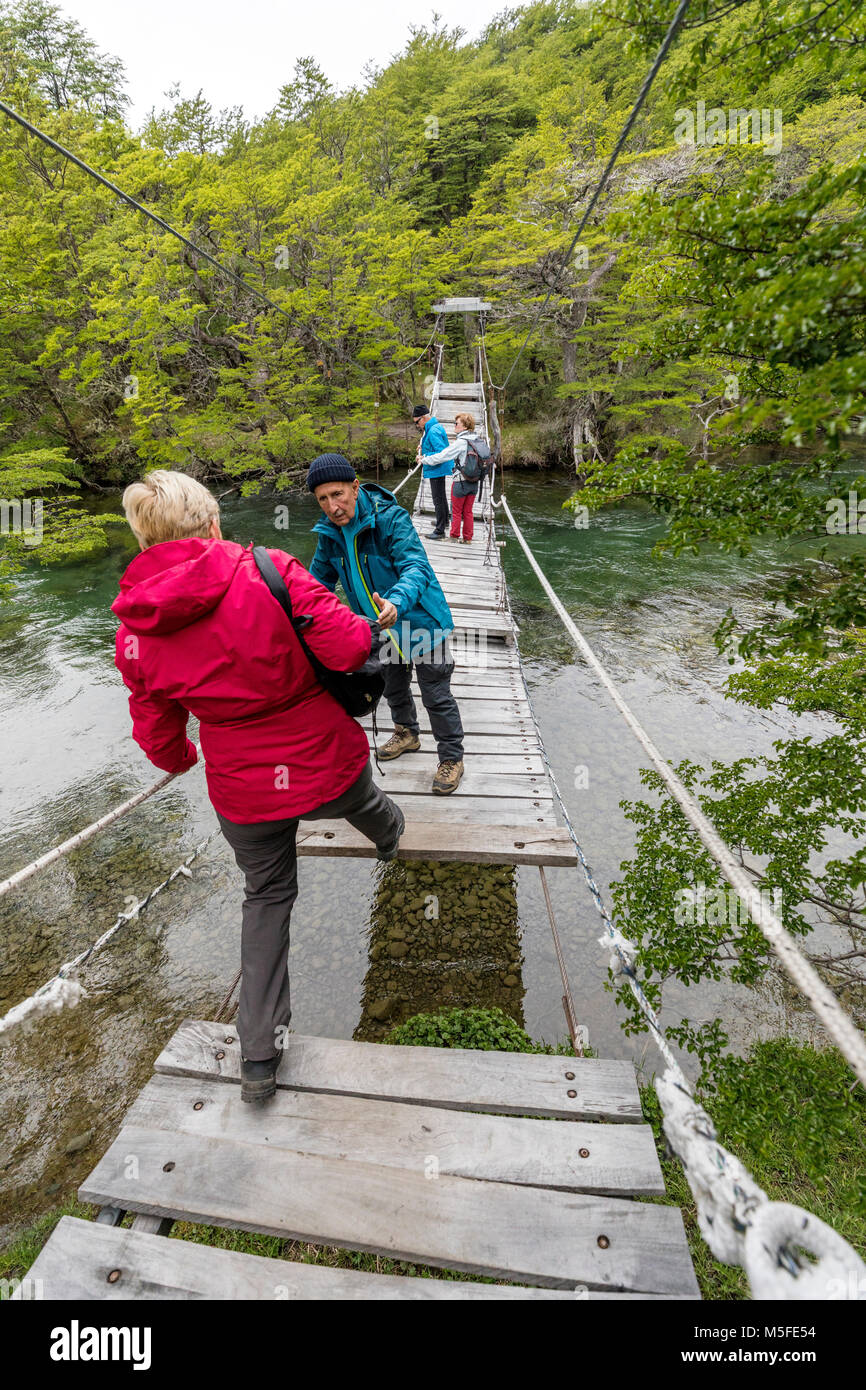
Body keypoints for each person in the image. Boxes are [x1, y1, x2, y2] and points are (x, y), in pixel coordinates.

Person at [112, 469, 403, 1105]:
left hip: (244, 791)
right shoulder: (268, 568)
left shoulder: (133, 629)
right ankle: (389, 841)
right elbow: (352, 647)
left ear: (143, 544)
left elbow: (156, 727)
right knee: (366, 802)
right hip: (324, 759)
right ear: (212, 524)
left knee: (267, 896)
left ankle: (259, 1056)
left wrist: (183, 755)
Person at [307, 452, 466, 795]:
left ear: (354, 486)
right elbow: (315, 583)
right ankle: (407, 732)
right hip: (380, 629)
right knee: (392, 686)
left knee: (436, 695)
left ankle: (452, 756)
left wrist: (397, 599)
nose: (333, 507)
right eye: (323, 499)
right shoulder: (329, 535)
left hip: (421, 622)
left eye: (338, 495)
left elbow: (416, 567)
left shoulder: (392, 519)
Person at [419, 411, 480, 543]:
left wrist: (424, 459)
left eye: (456, 423)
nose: (454, 425)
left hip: (461, 482)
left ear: (464, 426)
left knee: (457, 510)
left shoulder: (461, 442)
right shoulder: (477, 439)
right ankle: (468, 538)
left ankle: (453, 536)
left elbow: (443, 455)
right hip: (475, 482)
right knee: (468, 511)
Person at [412, 402, 451, 539]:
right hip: (439, 468)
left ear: (423, 418)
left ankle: (440, 531)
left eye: (417, 422)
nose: (417, 426)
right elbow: (432, 444)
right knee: (441, 496)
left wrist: (423, 457)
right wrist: (422, 445)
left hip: (437, 468)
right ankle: (444, 521)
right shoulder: (433, 426)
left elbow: (440, 453)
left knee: (437, 499)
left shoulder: (432, 430)